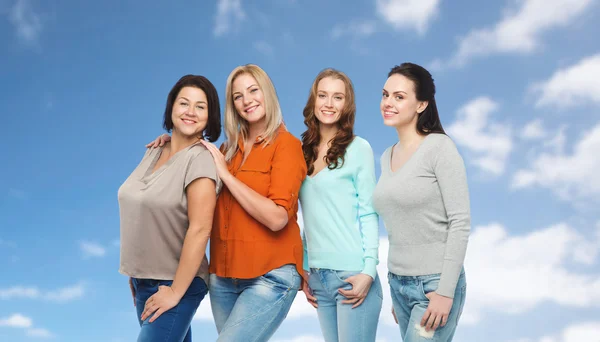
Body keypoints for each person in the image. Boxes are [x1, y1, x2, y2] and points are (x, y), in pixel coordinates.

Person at [149, 64, 307, 341]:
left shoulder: (287, 146)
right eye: (237, 96)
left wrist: (227, 176)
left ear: (267, 93)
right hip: (222, 279)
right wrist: (169, 141)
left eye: (253, 90)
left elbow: (277, 218)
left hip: (271, 276)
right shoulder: (226, 150)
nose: (247, 101)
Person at [118, 74, 222, 342]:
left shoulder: (200, 161)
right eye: (184, 103)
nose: (190, 112)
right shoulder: (154, 150)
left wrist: (175, 291)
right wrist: (137, 271)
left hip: (178, 284)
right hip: (144, 282)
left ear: (210, 117)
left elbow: (200, 229)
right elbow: (143, 211)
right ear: (171, 107)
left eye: (200, 106)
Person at [372, 62, 470, 342]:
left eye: (399, 97)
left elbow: (460, 222)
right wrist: (400, 291)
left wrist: (445, 291)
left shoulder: (439, 148)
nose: (388, 103)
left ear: (421, 104)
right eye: (385, 94)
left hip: (435, 286)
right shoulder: (386, 156)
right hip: (399, 284)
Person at [299, 68, 382, 342]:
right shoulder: (302, 152)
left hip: (352, 274)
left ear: (347, 105)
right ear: (313, 100)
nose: (329, 104)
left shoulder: (359, 148)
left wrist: (368, 271)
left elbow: (370, 212)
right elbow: (307, 217)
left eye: (337, 97)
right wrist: (306, 266)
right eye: (322, 95)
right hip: (318, 279)